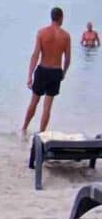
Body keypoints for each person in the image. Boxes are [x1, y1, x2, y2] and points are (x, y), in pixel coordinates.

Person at [21, 7, 72, 136]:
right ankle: (41, 134)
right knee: (47, 106)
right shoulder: (66, 36)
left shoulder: (42, 33)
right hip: (55, 72)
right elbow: (67, 59)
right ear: (60, 18)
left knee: (34, 101)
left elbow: (35, 55)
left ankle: (24, 129)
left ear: (51, 17)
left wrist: (29, 76)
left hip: (42, 70)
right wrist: (64, 73)